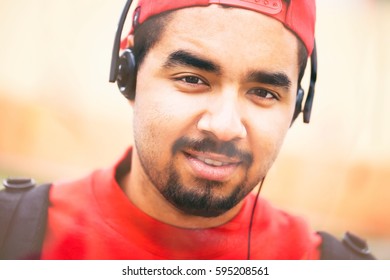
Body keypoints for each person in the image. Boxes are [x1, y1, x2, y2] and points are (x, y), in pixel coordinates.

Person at [0, 0, 376, 260]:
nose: (225, 127)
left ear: (296, 107)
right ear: (128, 75)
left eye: (263, 92)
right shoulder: (13, 233)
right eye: (192, 78)